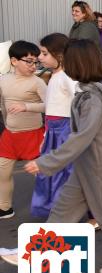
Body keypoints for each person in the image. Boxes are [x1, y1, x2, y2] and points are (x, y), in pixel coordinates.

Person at [21, 39, 102, 273]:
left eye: (68, 60)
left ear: (78, 63)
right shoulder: (91, 91)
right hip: (88, 162)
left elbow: (81, 138)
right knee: (64, 208)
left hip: (100, 163)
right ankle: (37, 248)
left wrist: (46, 162)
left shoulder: (92, 98)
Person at [30, 33, 77, 218]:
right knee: (52, 172)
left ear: (59, 56)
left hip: (63, 132)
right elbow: (51, 106)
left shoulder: (66, 77)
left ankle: (70, 213)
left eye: (44, 53)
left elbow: (80, 102)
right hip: (53, 130)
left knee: (64, 174)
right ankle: (54, 211)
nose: (39, 57)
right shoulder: (54, 76)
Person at [0, 41, 46, 219]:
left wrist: (27, 106)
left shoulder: (38, 82)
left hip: (33, 135)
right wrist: (6, 124)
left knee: (42, 175)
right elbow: (3, 106)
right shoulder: (3, 80)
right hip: (9, 135)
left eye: (36, 62)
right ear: (13, 61)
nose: (33, 66)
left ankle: (52, 208)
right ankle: (4, 208)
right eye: (29, 61)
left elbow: (52, 106)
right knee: (2, 173)